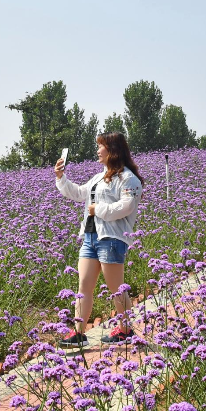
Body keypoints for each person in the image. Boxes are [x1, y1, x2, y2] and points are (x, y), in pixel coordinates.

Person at [53, 132, 144, 347]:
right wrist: (61, 177)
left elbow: (127, 206)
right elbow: (78, 193)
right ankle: (78, 333)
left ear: (112, 150)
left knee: (117, 289)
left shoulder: (128, 178)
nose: (97, 150)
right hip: (90, 237)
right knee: (83, 286)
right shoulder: (99, 177)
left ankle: (125, 330)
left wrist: (99, 209)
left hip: (111, 239)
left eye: (101, 146)